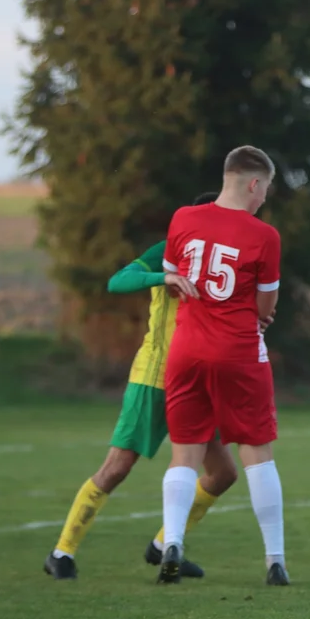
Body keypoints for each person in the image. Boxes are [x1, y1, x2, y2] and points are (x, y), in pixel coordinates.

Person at [44, 193, 240, 580]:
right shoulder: (170, 251)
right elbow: (119, 281)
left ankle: (163, 545)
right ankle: (62, 552)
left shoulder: (228, 261)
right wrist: (164, 277)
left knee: (223, 474)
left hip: (201, 381)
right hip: (155, 378)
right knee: (118, 467)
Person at [158, 146, 287, 587]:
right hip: (238, 350)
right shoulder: (264, 235)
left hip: (187, 348)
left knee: (184, 454)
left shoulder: (182, 218)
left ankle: (172, 540)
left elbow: (173, 277)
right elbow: (266, 304)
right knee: (257, 452)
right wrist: (256, 312)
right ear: (254, 184)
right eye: (266, 188)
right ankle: (275, 559)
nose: (266, 197)